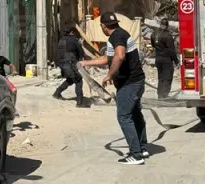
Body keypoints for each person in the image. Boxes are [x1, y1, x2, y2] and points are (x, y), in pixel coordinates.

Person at [81, 12, 148, 165]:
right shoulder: (121, 34)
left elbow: (119, 56)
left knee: (124, 117)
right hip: (137, 81)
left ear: (104, 27)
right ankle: (142, 147)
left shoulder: (117, 37)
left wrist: (110, 75)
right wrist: (86, 63)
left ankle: (136, 154)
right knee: (135, 115)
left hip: (129, 83)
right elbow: (108, 58)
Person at [52, 26, 88, 106]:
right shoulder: (74, 40)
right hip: (69, 62)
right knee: (78, 80)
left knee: (71, 79)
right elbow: (80, 52)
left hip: (61, 64)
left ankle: (57, 93)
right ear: (72, 32)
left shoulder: (61, 40)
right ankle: (80, 103)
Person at [150, 22, 179, 99]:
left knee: (161, 77)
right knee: (167, 77)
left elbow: (153, 45)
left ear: (160, 25)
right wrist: (176, 61)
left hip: (158, 59)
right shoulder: (168, 36)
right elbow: (172, 51)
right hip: (166, 59)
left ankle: (160, 95)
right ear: (166, 26)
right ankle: (164, 95)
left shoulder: (153, 34)